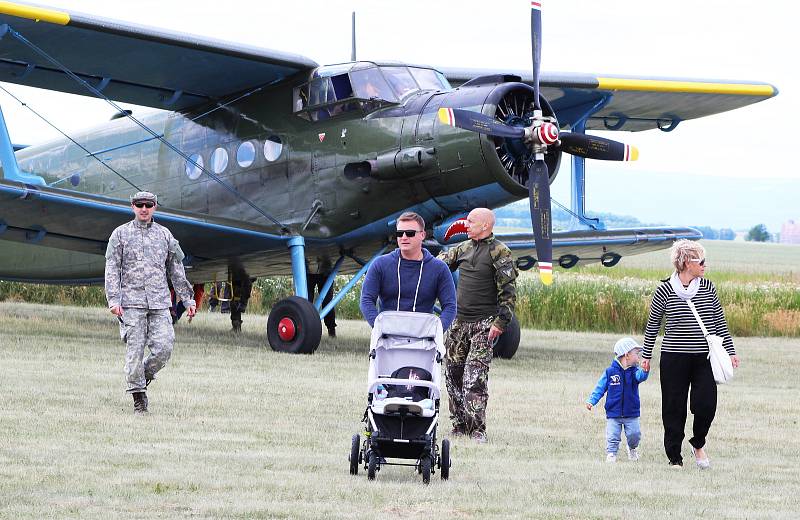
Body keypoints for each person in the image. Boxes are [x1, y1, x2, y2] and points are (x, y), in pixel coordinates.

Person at [642, 239, 740, 468]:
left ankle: (698, 443)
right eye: (701, 261)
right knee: (673, 407)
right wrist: (646, 356)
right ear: (687, 262)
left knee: (706, 404)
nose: (705, 265)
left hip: (704, 358)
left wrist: (730, 351)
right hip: (673, 358)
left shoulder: (708, 287)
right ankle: (674, 457)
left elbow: (719, 322)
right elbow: (653, 325)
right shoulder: (665, 289)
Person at [104, 191, 196, 414]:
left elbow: (176, 270)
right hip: (131, 304)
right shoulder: (120, 234)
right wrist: (113, 299)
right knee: (134, 353)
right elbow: (112, 268)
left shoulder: (165, 236)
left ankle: (141, 380)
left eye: (148, 204)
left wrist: (188, 298)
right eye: (139, 204)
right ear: (132, 206)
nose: (144, 209)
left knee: (164, 347)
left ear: (155, 207)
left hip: (159, 303)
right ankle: (139, 400)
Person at [437, 208, 517, 443]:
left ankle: (477, 430)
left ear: (485, 225)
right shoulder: (463, 248)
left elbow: (509, 292)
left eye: (471, 222)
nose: (466, 225)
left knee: (475, 377)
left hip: (484, 325)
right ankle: (459, 425)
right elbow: (438, 267)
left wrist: (501, 323)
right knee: (453, 374)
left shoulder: (500, 252)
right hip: (458, 323)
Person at [359, 211, 456, 331]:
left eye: (410, 233)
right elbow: (366, 299)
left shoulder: (439, 268)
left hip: (424, 339)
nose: (404, 237)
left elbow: (450, 306)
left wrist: (436, 331)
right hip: (387, 338)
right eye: (400, 233)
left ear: (422, 235)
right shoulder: (380, 264)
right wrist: (379, 328)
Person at [586, 338, 650, 463]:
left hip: (631, 412)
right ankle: (611, 453)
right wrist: (591, 401)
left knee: (634, 435)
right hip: (613, 412)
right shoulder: (610, 372)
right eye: (636, 354)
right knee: (613, 435)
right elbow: (600, 388)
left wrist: (645, 371)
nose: (638, 357)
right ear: (627, 355)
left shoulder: (635, 371)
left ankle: (632, 448)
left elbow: (641, 377)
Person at [307, 259, 337, 337]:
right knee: (306, 302)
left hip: (325, 272)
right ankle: (306, 328)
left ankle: (331, 329)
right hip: (307, 272)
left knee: (327, 302)